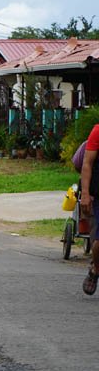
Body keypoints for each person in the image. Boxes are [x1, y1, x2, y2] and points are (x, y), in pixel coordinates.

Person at [81, 123, 99, 295]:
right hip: (98, 194)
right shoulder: (97, 131)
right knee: (98, 243)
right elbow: (87, 164)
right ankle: (96, 269)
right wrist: (85, 194)